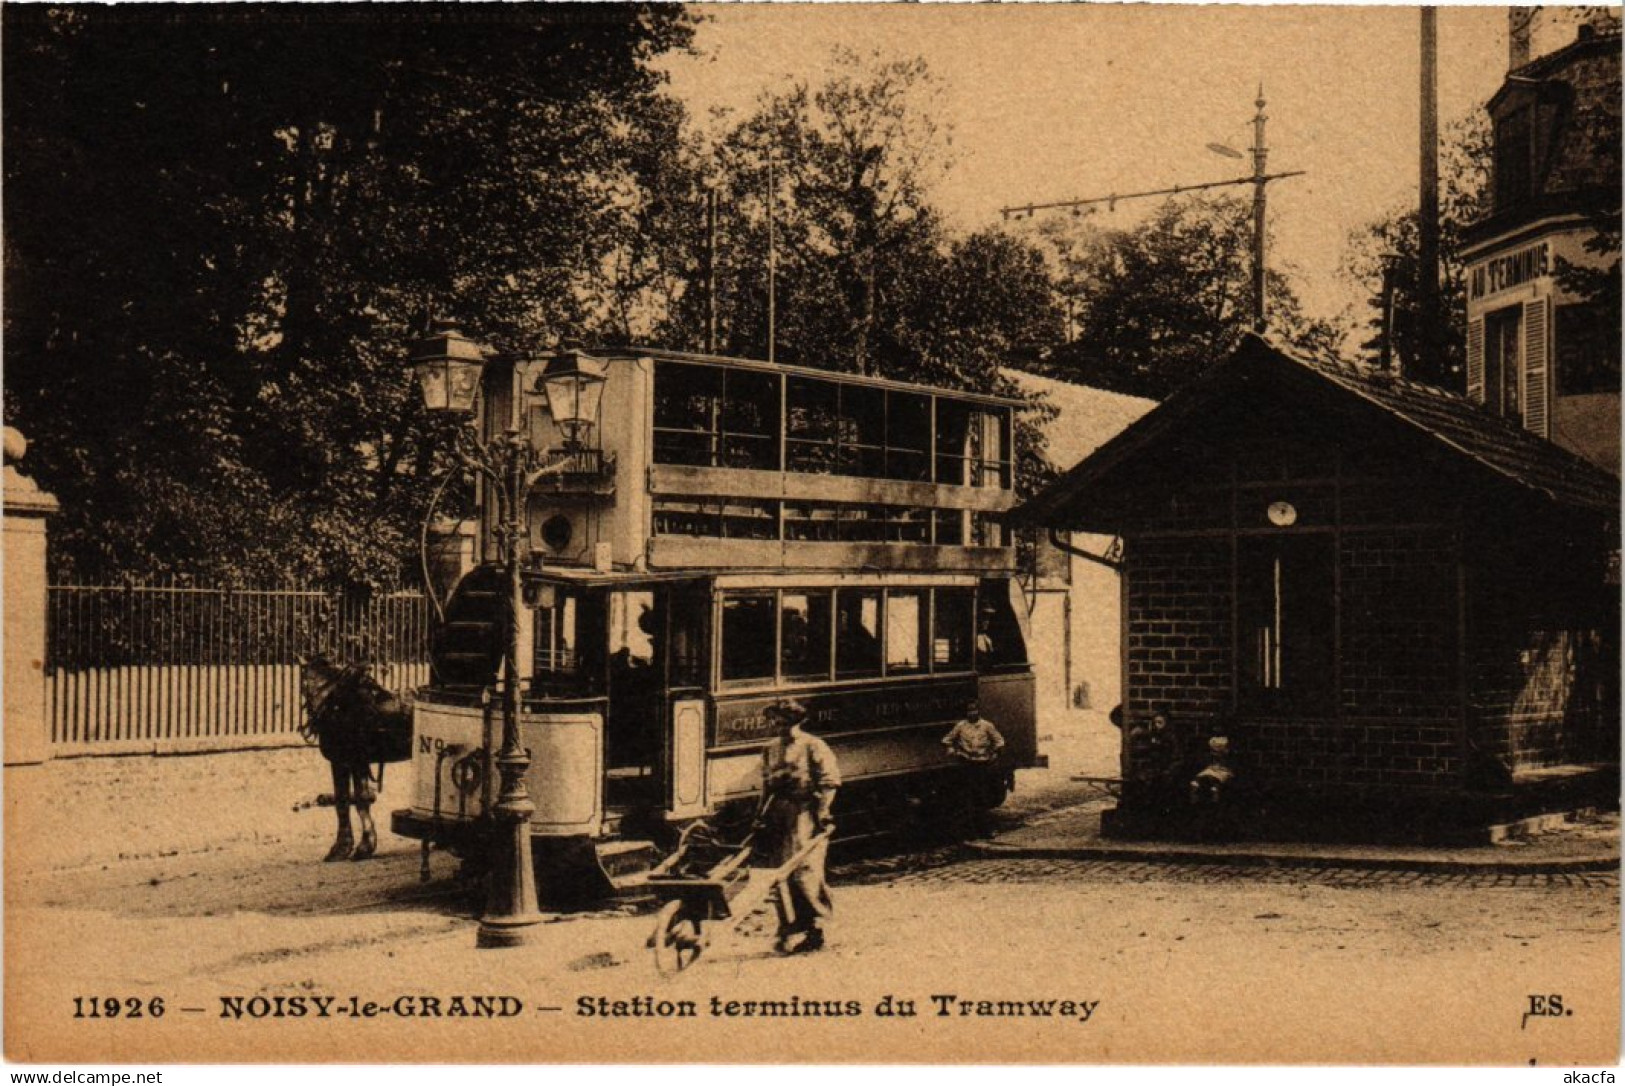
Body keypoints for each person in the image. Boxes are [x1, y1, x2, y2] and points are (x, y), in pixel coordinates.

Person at [758, 699, 841, 953]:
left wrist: (823, 811)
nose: (779, 728)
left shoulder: (814, 746)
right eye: (775, 722)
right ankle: (787, 926)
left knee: (804, 872)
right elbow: (765, 785)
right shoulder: (770, 749)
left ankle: (815, 930)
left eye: (784, 723)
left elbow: (829, 781)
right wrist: (759, 815)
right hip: (778, 815)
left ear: (797, 722)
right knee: (777, 874)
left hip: (805, 814)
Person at [942, 700, 1008, 817]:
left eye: (974, 710)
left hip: (983, 764)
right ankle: (972, 829)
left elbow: (999, 741)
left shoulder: (987, 725)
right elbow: (947, 739)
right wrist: (952, 750)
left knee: (982, 795)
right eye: (969, 711)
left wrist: (995, 755)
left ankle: (985, 828)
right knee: (969, 795)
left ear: (978, 711)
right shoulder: (961, 726)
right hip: (967, 764)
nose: (972, 713)